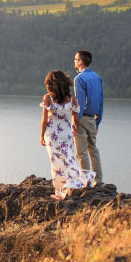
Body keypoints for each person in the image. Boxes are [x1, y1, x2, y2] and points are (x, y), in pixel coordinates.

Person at [40, 70, 96, 199]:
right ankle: (72, 182)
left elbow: (44, 120)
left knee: (57, 163)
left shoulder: (48, 98)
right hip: (67, 134)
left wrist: (41, 135)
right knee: (69, 159)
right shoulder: (71, 97)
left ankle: (60, 192)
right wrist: (76, 127)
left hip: (52, 136)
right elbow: (75, 116)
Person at [73, 50, 103, 185]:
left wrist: (76, 121)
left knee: (81, 152)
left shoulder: (79, 79)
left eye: (75, 59)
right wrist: (98, 121)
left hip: (82, 118)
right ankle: (99, 180)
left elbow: (79, 102)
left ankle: (86, 182)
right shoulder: (97, 77)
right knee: (94, 150)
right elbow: (101, 100)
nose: (74, 61)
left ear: (81, 61)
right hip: (92, 119)